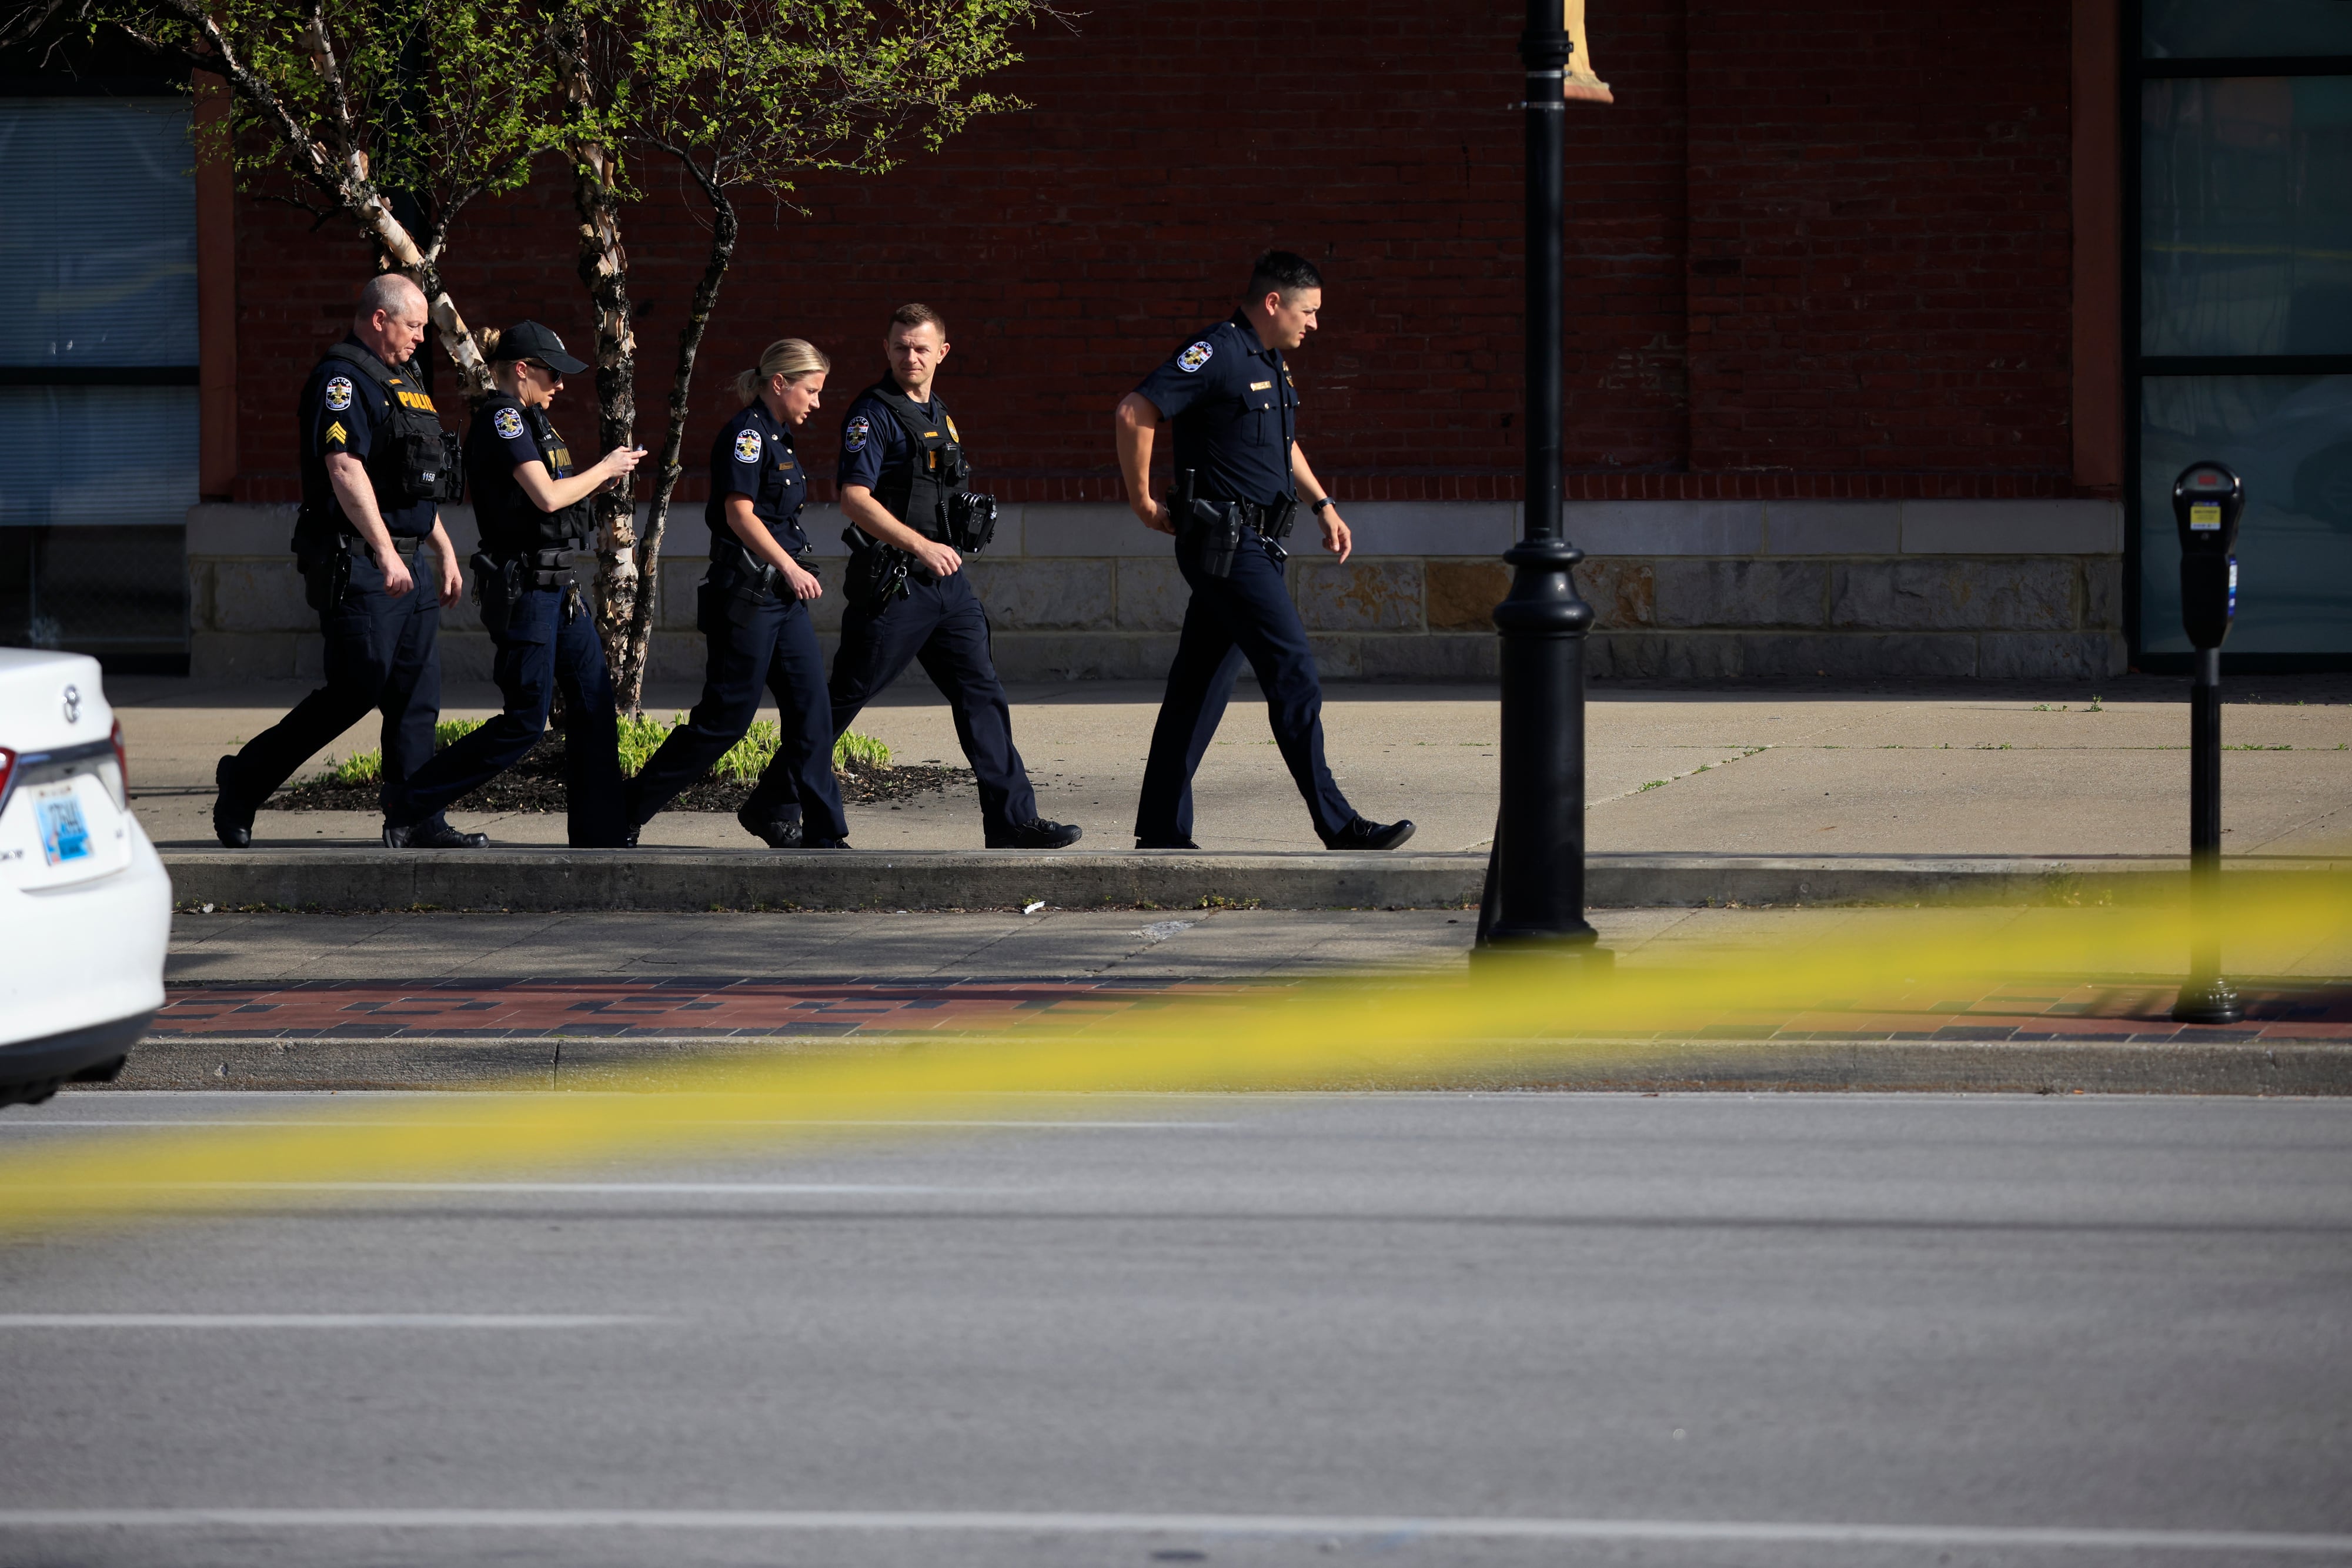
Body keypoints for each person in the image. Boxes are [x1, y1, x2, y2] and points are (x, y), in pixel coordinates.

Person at [1112, 251, 1415, 851]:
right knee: (1294, 674)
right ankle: (1337, 823)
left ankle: (1162, 830)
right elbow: (1134, 410)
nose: (1315, 323)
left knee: (1197, 686)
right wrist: (1144, 504)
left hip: (1254, 542)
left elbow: (1283, 443)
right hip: (1226, 544)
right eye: (1309, 310)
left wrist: (1322, 504)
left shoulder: (1269, 362)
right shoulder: (1217, 352)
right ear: (1273, 302)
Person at [212, 274, 479, 850]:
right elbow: (344, 468)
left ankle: (416, 817)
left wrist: (443, 548)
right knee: (357, 688)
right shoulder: (344, 379)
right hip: (361, 563)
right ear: (379, 319)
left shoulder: (402, 378)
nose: (419, 339)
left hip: (411, 565)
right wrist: (385, 551)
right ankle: (244, 781)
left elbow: (405, 479)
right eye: (412, 326)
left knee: (416, 695)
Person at [828, 303, 1081, 851]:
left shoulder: (937, 412)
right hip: (896, 583)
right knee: (846, 695)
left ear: (942, 352)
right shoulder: (873, 414)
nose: (909, 356)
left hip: (947, 587)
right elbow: (853, 498)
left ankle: (1012, 820)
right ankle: (775, 801)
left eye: (921, 347)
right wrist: (920, 543)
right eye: (900, 346)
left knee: (981, 693)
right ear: (886, 349)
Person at [383, 322, 645, 847]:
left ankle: (599, 833)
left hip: (559, 589)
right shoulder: (503, 417)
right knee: (525, 723)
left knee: (594, 704)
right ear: (521, 371)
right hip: (527, 591)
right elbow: (547, 497)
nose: (561, 385)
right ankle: (410, 805)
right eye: (552, 374)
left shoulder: (533, 420)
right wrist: (606, 468)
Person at [625, 337, 849, 848]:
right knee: (724, 722)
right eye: (810, 390)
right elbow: (739, 513)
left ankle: (820, 832)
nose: (816, 401)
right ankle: (626, 808)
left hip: (780, 599)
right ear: (780, 384)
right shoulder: (747, 435)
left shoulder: (781, 438)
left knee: (813, 713)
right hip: (747, 597)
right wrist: (790, 566)